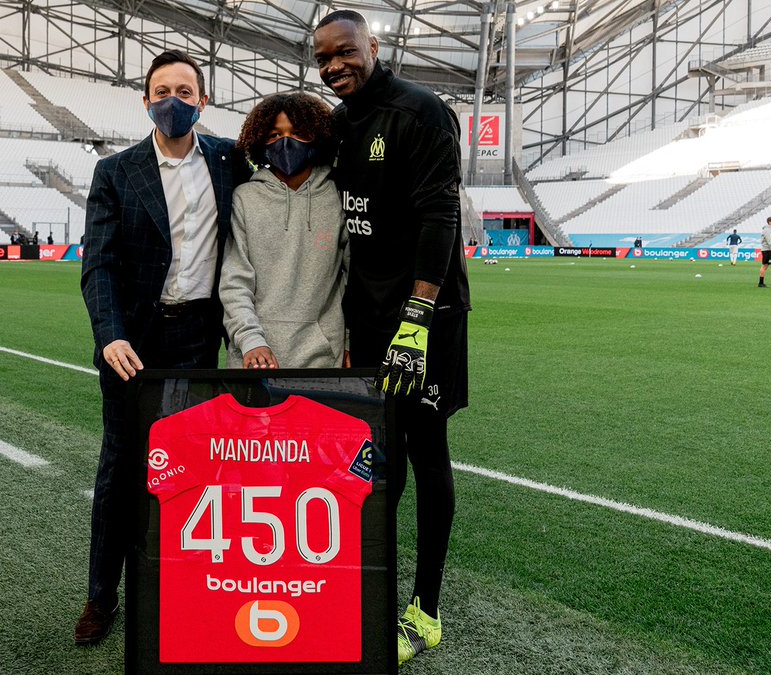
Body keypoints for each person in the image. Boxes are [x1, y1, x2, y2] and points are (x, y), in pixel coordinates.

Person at [314, 10, 470, 666]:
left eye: (345, 52)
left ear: (372, 46)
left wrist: (416, 320)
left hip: (424, 317)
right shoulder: (340, 126)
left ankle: (424, 610)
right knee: (380, 460)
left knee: (426, 448)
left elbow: (439, 214)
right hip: (370, 320)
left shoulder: (422, 112)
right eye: (322, 58)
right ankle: (372, 586)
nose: (333, 66)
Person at [77, 49, 247, 646]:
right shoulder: (115, 172)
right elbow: (98, 266)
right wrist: (110, 335)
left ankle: (185, 589)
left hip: (200, 337)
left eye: (184, 89)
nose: (172, 100)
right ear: (146, 100)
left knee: (195, 472)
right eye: (161, 90)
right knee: (121, 470)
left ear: (202, 100)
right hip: (136, 342)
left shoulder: (230, 160)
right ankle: (102, 597)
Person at [220, 93, 345, 369]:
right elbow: (234, 282)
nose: (285, 143)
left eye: (298, 133)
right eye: (274, 134)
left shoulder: (338, 196)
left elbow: (353, 280)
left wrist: (348, 341)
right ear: (260, 141)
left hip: (323, 358)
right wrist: (251, 340)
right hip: (254, 358)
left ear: (318, 136)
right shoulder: (244, 199)